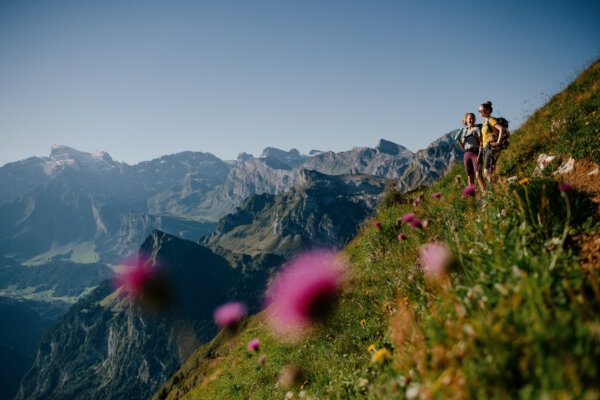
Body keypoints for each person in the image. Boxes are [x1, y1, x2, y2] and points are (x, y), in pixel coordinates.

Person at [478, 101, 506, 184]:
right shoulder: (484, 123)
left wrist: (498, 142)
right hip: (485, 148)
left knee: (486, 171)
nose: (481, 112)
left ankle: (492, 188)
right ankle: (496, 186)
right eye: (479, 111)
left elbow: (501, 129)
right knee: (491, 170)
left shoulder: (491, 120)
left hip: (491, 147)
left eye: (482, 110)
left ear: (488, 110)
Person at [459, 112, 486, 193]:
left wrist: (479, 155)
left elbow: (481, 143)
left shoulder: (477, 129)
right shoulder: (464, 131)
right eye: (470, 118)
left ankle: (484, 192)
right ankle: (472, 196)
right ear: (466, 120)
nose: (472, 120)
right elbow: (463, 146)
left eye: (473, 118)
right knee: (470, 177)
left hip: (475, 153)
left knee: (478, 174)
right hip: (466, 154)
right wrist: (459, 141)